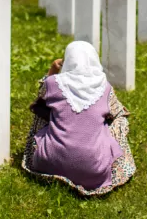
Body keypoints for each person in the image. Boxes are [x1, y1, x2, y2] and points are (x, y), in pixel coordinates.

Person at [21, 41, 136, 196]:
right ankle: (118, 165)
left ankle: (36, 156)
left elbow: (40, 101)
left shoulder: (53, 83)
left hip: (47, 162)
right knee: (119, 121)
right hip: (94, 172)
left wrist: (52, 71)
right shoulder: (105, 87)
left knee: (41, 110)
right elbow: (118, 112)